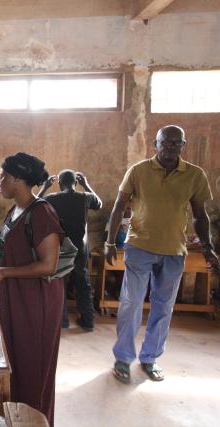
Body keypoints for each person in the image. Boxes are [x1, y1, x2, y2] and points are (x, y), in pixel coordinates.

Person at [106, 125, 219, 383]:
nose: (170, 147)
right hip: (139, 247)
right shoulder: (138, 171)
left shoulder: (194, 175)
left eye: (176, 143)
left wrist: (209, 248)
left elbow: (201, 216)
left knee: (163, 307)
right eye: (165, 143)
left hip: (173, 251)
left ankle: (150, 358)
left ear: (183, 145)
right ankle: (123, 359)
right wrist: (109, 243)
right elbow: (118, 206)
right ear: (154, 145)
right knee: (131, 302)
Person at [0, 152, 64, 427]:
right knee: (15, 367)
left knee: (33, 370)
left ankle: (35, 421)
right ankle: (17, 420)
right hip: (16, 300)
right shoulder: (17, 210)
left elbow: (49, 265)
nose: (0, 182)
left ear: (17, 178)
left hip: (36, 305)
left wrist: (4, 272)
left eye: (3, 176)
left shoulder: (42, 212)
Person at [38, 170, 102, 331]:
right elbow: (99, 204)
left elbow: (35, 206)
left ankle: (62, 321)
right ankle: (88, 321)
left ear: (59, 184)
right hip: (80, 248)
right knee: (83, 284)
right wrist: (86, 185)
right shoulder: (85, 197)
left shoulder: (53, 198)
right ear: (76, 183)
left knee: (61, 283)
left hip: (62, 248)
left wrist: (45, 187)